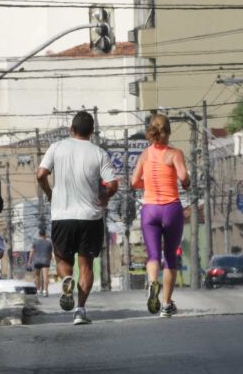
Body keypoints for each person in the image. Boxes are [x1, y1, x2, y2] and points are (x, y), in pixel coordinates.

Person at [37, 111, 118, 325]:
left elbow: (40, 174)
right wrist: (104, 196)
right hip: (90, 217)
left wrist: (49, 193)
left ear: (70, 130)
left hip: (62, 216)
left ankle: (66, 280)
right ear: (92, 132)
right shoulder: (99, 153)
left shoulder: (57, 148)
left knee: (63, 260)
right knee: (87, 266)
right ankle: (80, 311)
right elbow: (113, 185)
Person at [131, 114, 190, 318]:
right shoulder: (175, 153)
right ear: (168, 132)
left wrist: (145, 185)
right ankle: (166, 304)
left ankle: (152, 282)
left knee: (153, 255)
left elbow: (133, 182)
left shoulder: (145, 155)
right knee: (171, 257)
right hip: (171, 208)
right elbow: (183, 177)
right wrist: (186, 181)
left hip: (150, 209)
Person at [28, 228, 53, 297]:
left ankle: (38, 290)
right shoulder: (49, 243)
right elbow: (50, 253)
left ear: (39, 235)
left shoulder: (35, 242)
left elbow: (32, 252)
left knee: (37, 276)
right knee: (45, 277)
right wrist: (50, 259)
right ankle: (45, 291)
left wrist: (29, 261)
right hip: (46, 261)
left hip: (37, 261)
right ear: (45, 235)